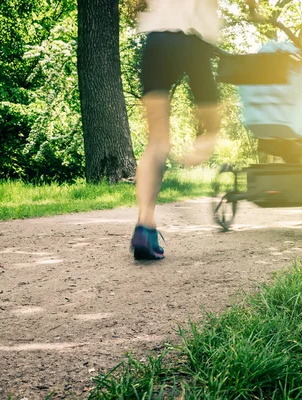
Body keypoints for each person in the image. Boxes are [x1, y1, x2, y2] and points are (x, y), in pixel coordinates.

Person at [130, 0, 261, 260]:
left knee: (156, 142)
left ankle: (145, 225)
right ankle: (199, 149)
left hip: (156, 41)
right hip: (194, 42)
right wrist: (253, 9)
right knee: (210, 130)